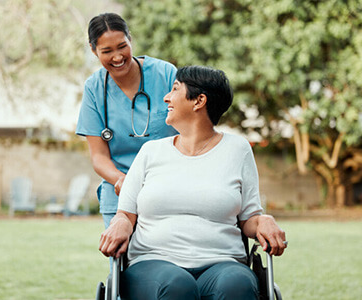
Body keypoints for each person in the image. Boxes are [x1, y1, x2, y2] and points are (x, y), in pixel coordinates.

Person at [99, 65, 287, 300]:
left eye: (175, 89)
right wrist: (120, 222)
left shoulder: (238, 150)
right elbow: (126, 214)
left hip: (223, 263)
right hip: (153, 263)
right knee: (177, 286)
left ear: (199, 101)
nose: (167, 97)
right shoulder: (150, 152)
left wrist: (264, 221)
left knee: (236, 285)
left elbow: (249, 219)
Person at [76, 13, 177, 229]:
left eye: (122, 46)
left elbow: (190, 132)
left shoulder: (166, 74)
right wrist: (124, 181)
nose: (117, 56)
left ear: (130, 39)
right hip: (120, 192)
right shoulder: (94, 89)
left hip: (169, 190)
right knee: (125, 260)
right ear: (94, 51)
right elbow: (99, 157)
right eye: (106, 51)